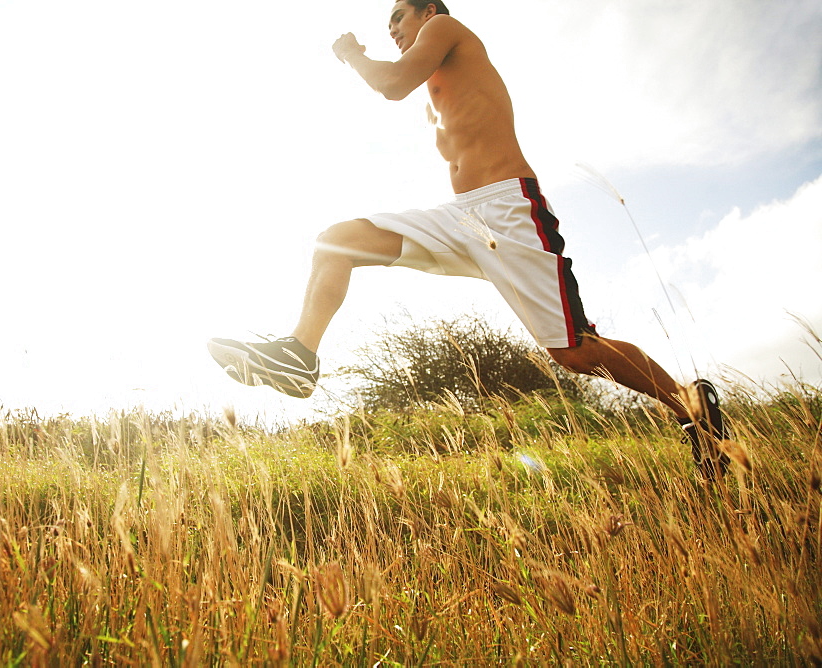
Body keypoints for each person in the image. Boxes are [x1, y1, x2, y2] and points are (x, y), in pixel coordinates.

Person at [208, 0, 730, 479]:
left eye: (398, 17)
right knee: (336, 241)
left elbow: (391, 85)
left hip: (510, 210)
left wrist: (350, 54)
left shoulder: (445, 27)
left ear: (428, 10)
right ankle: (299, 357)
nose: (391, 28)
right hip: (464, 218)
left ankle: (691, 406)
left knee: (572, 351)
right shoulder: (439, 72)